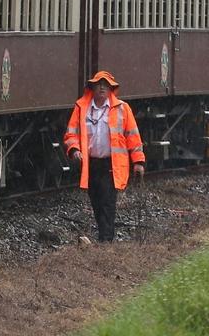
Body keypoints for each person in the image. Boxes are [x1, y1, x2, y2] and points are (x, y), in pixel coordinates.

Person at [62, 70, 146, 243]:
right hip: (91, 164)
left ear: (111, 89)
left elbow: (133, 137)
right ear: (92, 88)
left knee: (107, 202)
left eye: (105, 85)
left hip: (112, 165)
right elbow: (71, 134)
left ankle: (106, 240)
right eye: (98, 84)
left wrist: (138, 162)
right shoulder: (81, 108)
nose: (102, 88)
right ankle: (104, 236)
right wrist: (74, 150)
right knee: (96, 201)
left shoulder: (122, 109)